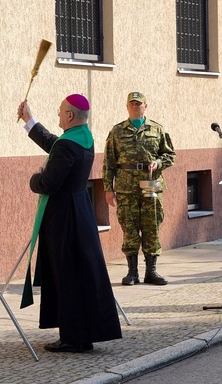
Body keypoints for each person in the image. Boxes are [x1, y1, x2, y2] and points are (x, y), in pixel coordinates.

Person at [16, 94, 122, 353]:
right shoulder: (84, 137)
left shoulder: (67, 145)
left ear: (70, 115)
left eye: (61, 111)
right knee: (80, 273)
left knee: (67, 275)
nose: (58, 115)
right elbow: (54, 143)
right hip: (80, 212)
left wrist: (34, 179)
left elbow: (49, 183)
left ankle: (73, 338)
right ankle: (81, 334)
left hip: (64, 218)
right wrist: (29, 120)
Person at [103, 91, 176, 286]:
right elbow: (109, 161)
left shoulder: (157, 129)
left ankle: (151, 271)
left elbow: (170, 155)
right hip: (126, 188)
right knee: (129, 229)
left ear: (145, 106)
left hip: (151, 187)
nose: (135, 106)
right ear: (127, 107)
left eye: (139, 103)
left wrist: (158, 163)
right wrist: (108, 188)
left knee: (152, 227)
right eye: (132, 103)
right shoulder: (117, 131)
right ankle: (132, 272)